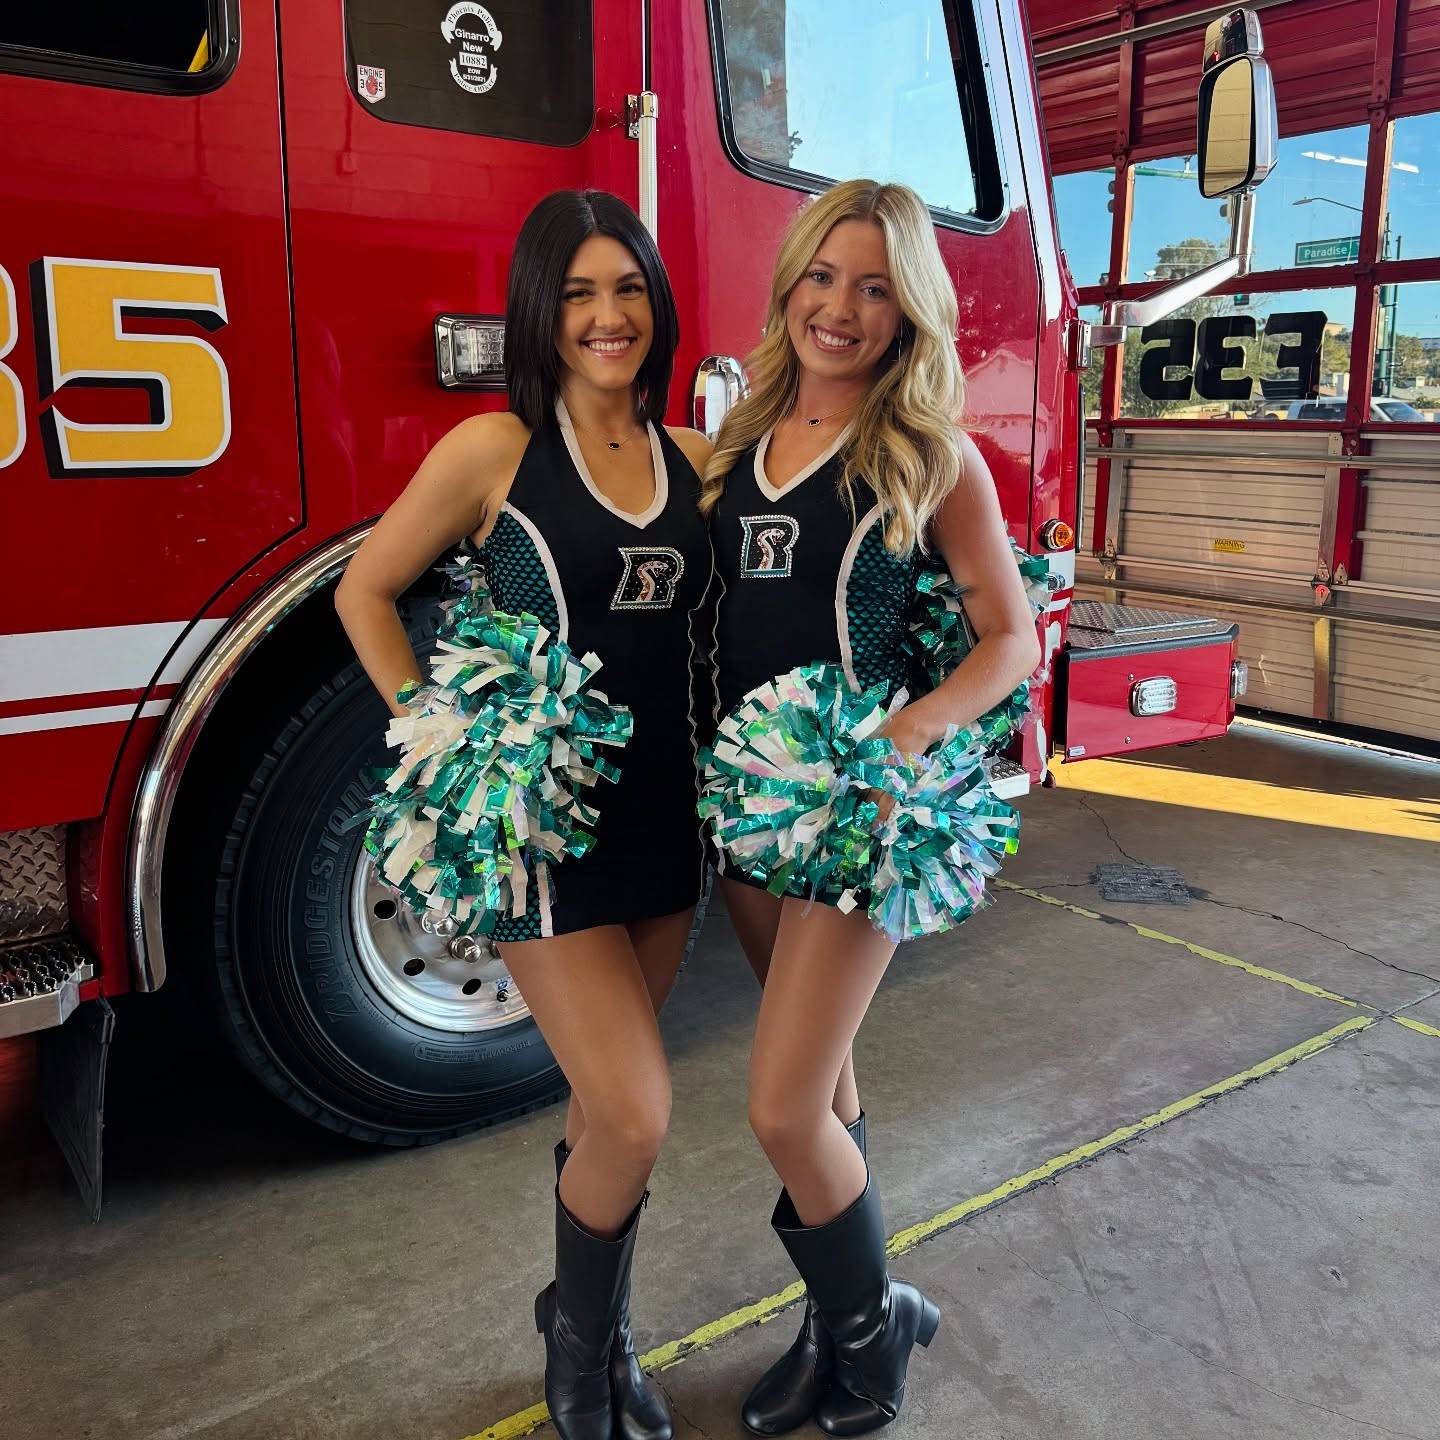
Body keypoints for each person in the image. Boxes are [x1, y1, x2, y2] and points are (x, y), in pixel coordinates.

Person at [336, 189, 713, 1440]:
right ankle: (579, 1348)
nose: (609, 318)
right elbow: (366, 593)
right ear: (540, 315)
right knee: (642, 1110)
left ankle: (592, 1332)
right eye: (578, 295)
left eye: (628, 289)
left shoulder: (698, 464)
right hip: (546, 838)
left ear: (656, 302)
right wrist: (448, 740)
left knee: (604, 1109)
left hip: (669, 826)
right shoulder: (492, 453)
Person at [700, 179, 1041, 1436]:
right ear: (789, 280)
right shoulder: (738, 436)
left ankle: (872, 1327)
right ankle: (837, 1317)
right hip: (749, 803)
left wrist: (915, 726)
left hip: (866, 809)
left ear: (911, 315)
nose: (840, 308)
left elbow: (1010, 640)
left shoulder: (929, 456)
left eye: (877, 287)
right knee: (826, 1095)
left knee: (781, 1104)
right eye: (822, 277)